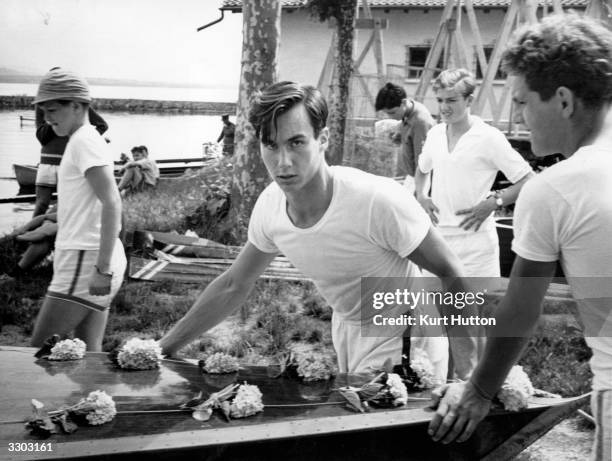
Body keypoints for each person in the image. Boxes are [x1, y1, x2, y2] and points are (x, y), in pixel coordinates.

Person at [159, 81, 479, 379]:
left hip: (406, 331)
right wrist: (163, 349)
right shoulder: (271, 206)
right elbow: (233, 284)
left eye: (296, 142)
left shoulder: (376, 200)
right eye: (270, 145)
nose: (283, 162)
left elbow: (452, 272)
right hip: (347, 328)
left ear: (322, 139)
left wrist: (468, 377)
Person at [428, 16, 612, 461]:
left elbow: (521, 311)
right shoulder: (436, 136)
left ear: (564, 101)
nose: (519, 117)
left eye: (524, 102)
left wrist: (479, 391)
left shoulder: (556, 188)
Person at [29, 68, 126, 352]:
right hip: (88, 256)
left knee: (33, 357)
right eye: (43, 110)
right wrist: (47, 220)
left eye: (52, 109)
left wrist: (102, 269)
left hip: (86, 259)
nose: (47, 118)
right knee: (88, 357)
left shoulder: (84, 141)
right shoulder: (85, 138)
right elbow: (82, 200)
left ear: (76, 105)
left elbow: (112, 201)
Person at [415, 69, 534, 278]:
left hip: (477, 245)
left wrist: (494, 203)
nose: (444, 107)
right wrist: (422, 196)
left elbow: (527, 179)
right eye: (440, 100)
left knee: (480, 309)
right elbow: (422, 170)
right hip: (438, 241)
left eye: (451, 100)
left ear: (469, 100)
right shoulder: (435, 134)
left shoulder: (489, 138)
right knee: (431, 308)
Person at [33, 67, 108, 218]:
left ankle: (49, 232)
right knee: (41, 204)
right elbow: (41, 136)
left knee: (64, 203)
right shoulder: (43, 106)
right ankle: (32, 233)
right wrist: (55, 121)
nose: (47, 114)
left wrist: (74, 134)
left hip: (66, 161)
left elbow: (102, 125)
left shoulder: (75, 107)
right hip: (46, 162)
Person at [375, 82, 435, 192]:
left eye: (392, 112)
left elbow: (422, 165)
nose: (390, 117)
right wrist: (401, 134)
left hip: (419, 180)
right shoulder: (408, 111)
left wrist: (420, 194)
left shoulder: (420, 122)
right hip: (411, 177)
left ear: (403, 102)